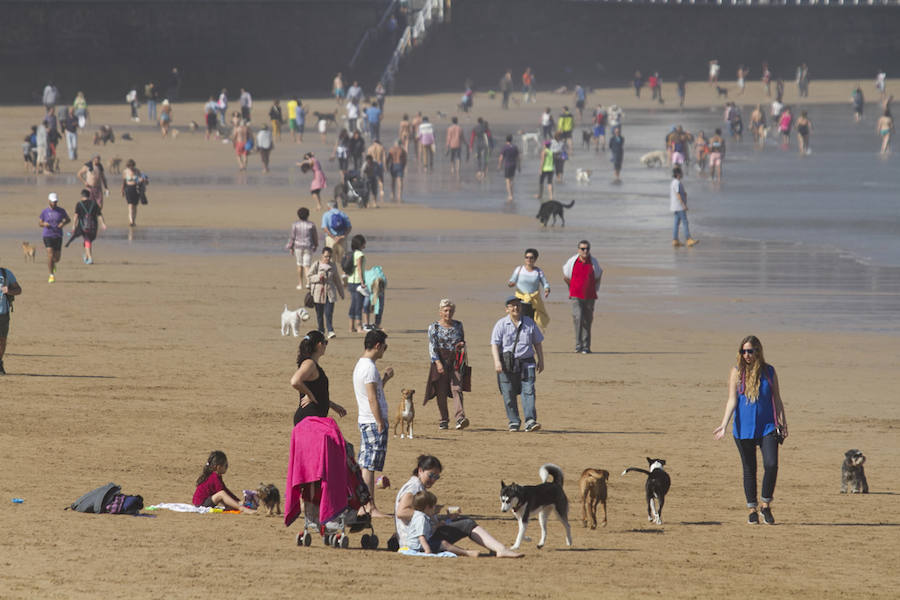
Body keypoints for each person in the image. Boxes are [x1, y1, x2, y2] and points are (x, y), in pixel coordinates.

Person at [714, 336, 788, 525]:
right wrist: (724, 424)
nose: (746, 355)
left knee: (771, 464)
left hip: (768, 426)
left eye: (750, 351)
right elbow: (732, 400)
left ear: (758, 351)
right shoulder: (737, 372)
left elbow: (777, 398)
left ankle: (765, 505)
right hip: (743, 428)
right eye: (743, 351)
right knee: (749, 469)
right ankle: (752, 509)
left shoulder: (769, 371)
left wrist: (783, 421)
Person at [394, 455, 522, 557]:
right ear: (420, 470)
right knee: (467, 523)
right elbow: (401, 512)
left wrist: (441, 516)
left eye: (436, 477)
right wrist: (430, 514)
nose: (433, 480)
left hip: (419, 536)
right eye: (431, 475)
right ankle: (500, 549)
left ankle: (495, 548)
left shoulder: (416, 484)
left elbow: (416, 513)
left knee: (461, 520)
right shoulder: (414, 487)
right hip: (419, 541)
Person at [353, 329, 393, 517]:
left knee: (365, 464)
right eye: (384, 347)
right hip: (371, 420)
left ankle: (364, 505)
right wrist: (379, 421)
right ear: (377, 346)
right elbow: (371, 398)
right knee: (369, 465)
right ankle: (370, 506)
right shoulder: (368, 368)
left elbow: (375, 393)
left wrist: (384, 379)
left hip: (367, 419)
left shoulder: (363, 365)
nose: (385, 350)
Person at [490, 296, 544, 432]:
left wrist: (541, 360)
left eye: (518, 305)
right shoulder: (501, 324)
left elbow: (537, 342)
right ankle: (514, 421)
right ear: (507, 309)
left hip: (527, 363)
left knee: (529, 391)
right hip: (506, 364)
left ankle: (530, 421)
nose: (515, 308)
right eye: (512, 306)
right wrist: (497, 362)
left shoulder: (530, 323)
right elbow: (495, 344)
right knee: (508, 393)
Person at [425, 299, 469, 431]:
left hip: (455, 361)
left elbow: (462, 340)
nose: (448, 313)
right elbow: (432, 346)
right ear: (440, 312)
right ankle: (444, 419)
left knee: (457, 388)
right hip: (440, 360)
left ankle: (460, 418)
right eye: (445, 310)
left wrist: (461, 345)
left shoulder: (458, 325)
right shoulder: (434, 327)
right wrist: (437, 362)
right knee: (441, 391)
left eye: (450, 310)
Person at [291, 330, 348, 425]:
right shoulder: (309, 363)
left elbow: (318, 393)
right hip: (309, 418)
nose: (326, 345)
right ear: (319, 344)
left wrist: (333, 405)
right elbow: (295, 381)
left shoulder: (312, 364)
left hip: (314, 418)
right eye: (325, 342)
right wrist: (309, 394)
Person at [405, 490, 479, 556]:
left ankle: (464, 551)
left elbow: (427, 531)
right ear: (427, 507)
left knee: (442, 543)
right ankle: (466, 553)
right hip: (418, 547)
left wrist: (437, 525)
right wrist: (427, 550)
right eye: (434, 506)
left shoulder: (418, 515)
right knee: (444, 544)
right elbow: (421, 537)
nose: (435, 509)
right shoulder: (421, 518)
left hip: (417, 545)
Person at [562, 241, 602, 354]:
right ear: (578, 250)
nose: (585, 251)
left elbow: (599, 275)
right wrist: (572, 287)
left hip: (590, 296)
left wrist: (593, 287)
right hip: (575, 295)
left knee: (587, 321)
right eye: (582, 249)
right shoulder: (572, 262)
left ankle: (586, 346)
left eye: (587, 249)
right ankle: (578, 345)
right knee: (578, 317)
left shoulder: (593, 262)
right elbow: (566, 276)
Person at [508, 248, 550, 329]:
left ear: (535, 259)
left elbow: (545, 283)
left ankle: (529, 340)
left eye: (531, 258)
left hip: (533, 302)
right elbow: (512, 280)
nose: (528, 259)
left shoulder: (538, 271)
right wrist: (511, 284)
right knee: (519, 323)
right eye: (526, 257)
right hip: (520, 301)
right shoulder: (519, 269)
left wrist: (547, 290)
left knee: (531, 325)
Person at [308, 247, 344, 338]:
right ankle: (321, 330)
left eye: (329, 257)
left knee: (329, 312)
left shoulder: (333, 265)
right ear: (322, 255)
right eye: (326, 256)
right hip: (318, 293)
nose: (327, 258)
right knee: (319, 314)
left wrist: (341, 292)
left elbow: (337, 280)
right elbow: (309, 276)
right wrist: (318, 277)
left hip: (330, 292)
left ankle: (330, 330)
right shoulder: (316, 264)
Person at [67, 188, 106, 264]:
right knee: (88, 240)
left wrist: (74, 226)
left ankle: (90, 258)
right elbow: (99, 215)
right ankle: (87, 256)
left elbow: (75, 216)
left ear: (82, 196)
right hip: (93, 226)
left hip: (83, 226)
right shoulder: (94, 204)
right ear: (89, 196)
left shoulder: (79, 204)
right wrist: (103, 224)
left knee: (87, 240)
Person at [39, 193, 70, 283]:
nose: (54, 203)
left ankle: (53, 264)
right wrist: (44, 224)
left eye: (56, 202)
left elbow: (68, 219)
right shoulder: (45, 212)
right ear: (49, 201)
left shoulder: (61, 211)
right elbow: (40, 223)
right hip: (47, 235)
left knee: (57, 258)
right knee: (50, 254)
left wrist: (63, 223)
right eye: (53, 202)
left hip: (58, 235)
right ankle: (51, 275)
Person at [286, 207, 318, 290]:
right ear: (308, 215)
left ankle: (300, 283)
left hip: (298, 247)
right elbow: (315, 236)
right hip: (308, 246)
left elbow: (292, 237)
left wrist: (290, 247)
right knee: (307, 265)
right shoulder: (311, 225)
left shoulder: (295, 224)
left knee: (299, 264)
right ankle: (308, 283)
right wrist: (316, 245)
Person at [0, 258, 22, 375]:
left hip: (3, 313)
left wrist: (9, 291)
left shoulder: (6, 273)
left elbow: (19, 290)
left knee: (2, 340)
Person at [670, 167, 697, 248]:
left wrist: (684, 194)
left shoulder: (674, 182)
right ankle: (688, 239)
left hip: (675, 206)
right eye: (681, 172)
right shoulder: (677, 183)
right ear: (678, 174)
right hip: (679, 206)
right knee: (685, 222)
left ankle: (675, 240)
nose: (682, 174)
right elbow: (678, 194)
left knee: (676, 223)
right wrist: (683, 205)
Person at [321, 199, 351, 267]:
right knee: (344, 260)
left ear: (329, 207)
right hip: (342, 239)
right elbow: (349, 227)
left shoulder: (326, 214)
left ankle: (332, 276)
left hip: (330, 239)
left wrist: (333, 237)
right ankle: (344, 275)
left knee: (330, 260)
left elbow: (324, 228)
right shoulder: (343, 214)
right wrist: (343, 236)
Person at [347, 234, 367, 333]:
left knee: (353, 304)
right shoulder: (359, 254)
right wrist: (362, 281)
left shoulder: (351, 253)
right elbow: (359, 268)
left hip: (350, 281)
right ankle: (359, 327)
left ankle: (351, 327)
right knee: (358, 304)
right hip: (357, 282)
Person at [362, 264, 386, 331]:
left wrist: (375, 305)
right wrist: (372, 306)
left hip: (379, 286)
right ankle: (366, 324)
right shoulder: (369, 283)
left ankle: (377, 324)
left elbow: (377, 301)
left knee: (380, 306)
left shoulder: (384, 282)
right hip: (368, 284)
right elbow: (372, 298)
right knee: (366, 304)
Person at [121, 159, 143, 227]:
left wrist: (141, 180)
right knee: (130, 205)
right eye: (130, 166)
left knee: (135, 206)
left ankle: (134, 220)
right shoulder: (125, 171)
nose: (131, 168)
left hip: (136, 188)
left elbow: (141, 179)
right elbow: (124, 182)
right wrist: (122, 190)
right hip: (128, 188)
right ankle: (131, 221)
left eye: (132, 166)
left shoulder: (137, 171)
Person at [497, 134, 520, 202]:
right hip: (514, 165)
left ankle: (510, 195)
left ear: (506, 140)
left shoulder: (505, 147)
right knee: (512, 180)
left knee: (507, 181)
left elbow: (501, 158)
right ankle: (512, 194)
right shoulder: (515, 147)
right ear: (511, 139)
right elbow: (518, 158)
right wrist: (519, 166)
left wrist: (499, 166)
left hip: (507, 165)